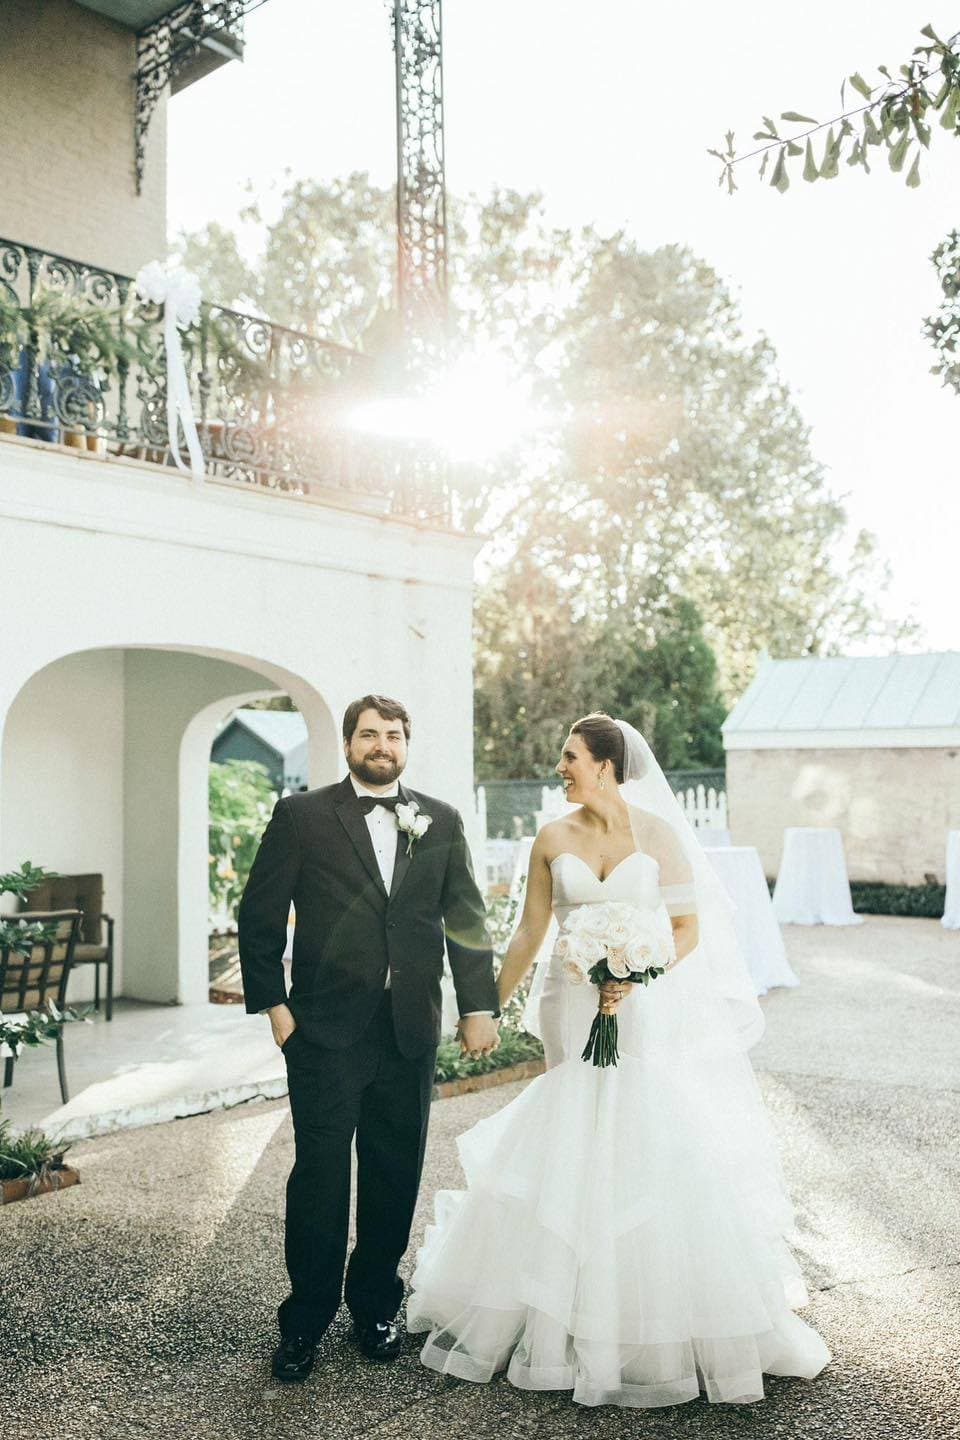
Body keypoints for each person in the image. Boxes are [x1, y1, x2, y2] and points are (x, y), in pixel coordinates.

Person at [407, 712, 831, 1408]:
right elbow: (529, 934)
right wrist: (481, 1010)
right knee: (568, 1126)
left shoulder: (660, 835)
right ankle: (553, 1313)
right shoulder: (551, 837)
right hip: (566, 1007)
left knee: (639, 1128)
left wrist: (638, 971)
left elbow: (688, 928)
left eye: (570, 756)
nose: (561, 768)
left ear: (605, 764)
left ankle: (630, 1315)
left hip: (636, 1004)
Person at [238, 694, 500, 1383]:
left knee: (394, 1175)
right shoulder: (302, 816)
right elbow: (259, 914)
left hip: (407, 1029)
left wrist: (480, 1007)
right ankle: (304, 1323)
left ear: (406, 745)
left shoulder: (439, 820)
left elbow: (466, 918)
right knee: (320, 1180)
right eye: (369, 733)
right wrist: (275, 1008)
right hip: (322, 1031)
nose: (381, 744)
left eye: (392, 734)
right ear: (349, 743)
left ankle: (375, 1307)